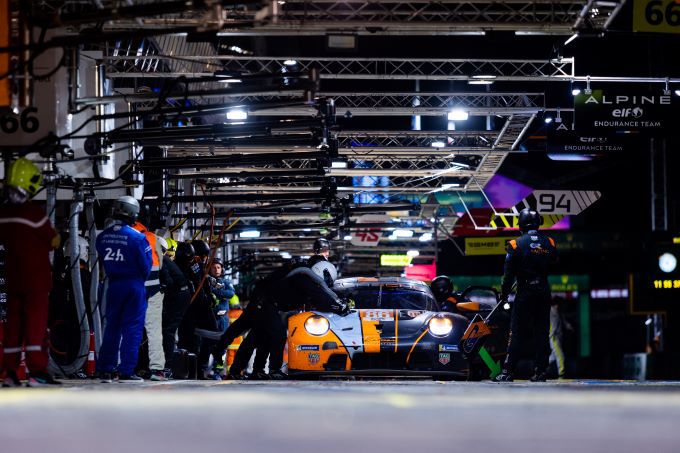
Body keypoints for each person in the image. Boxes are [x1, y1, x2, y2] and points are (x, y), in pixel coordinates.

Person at [216, 260, 348, 380]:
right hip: (265, 303)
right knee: (277, 334)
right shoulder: (305, 278)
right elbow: (320, 296)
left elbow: (316, 298)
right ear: (322, 271)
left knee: (258, 337)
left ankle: (248, 370)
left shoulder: (302, 275)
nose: (325, 283)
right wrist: (338, 306)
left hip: (262, 301)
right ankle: (273, 369)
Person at [0, 157, 61, 387]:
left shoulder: (2, 214)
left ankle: (9, 373)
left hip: (12, 281)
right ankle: (37, 372)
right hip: (36, 283)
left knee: (13, 327)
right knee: (35, 326)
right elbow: (53, 240)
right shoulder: (35, 214)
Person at [494, 208, 557, 383]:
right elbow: (554, 263)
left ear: (520, 224)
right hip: (543, 291)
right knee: (542, 332)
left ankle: (507, 372)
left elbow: (508, 275)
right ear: (539, 223)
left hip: (525, 292)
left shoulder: (515, 244)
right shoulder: (550, 242)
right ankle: (541, 371)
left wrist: (504, 294)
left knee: (517, 332)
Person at [96, 196, 152, 382]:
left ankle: (105, 369)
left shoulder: (103, 236)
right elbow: (146, 266)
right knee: (132, 329)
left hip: (113, 284)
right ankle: (126, 371)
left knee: (112, 327)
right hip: (133, 285)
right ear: (133, 213)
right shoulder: (138, 238)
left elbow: (102, 258)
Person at [132, 221, 165, 381]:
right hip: (152, 290)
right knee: (154, 332)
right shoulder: (152, 238)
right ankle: (157, 370)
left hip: (129, 289)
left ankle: (122, 367)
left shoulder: (122, 236)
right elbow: (161, 263)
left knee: (126, 329)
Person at [159, 238, 191, 378]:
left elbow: (168, 282)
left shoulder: (162, 260)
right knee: (167, 329)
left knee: (168, 330)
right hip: (180, 294)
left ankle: (168, 365)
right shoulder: (165, 260)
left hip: (179, 295)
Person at [207, 257, 235, 379]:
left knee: (222, 347)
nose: (216, 269)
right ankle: (202, 369)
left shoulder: (226, 282)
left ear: (222, 269)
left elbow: (230, 293)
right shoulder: (206, 281)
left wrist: (215, 290)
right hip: (209, 318)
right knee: (207, 345)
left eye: (218, 267)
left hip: (222, 319)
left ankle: (217, 371)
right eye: (213, 267)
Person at [549, 297, 572, 379]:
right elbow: (552, 325)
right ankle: (561, 374)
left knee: (553, 357)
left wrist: (568, 326)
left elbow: (563, 322)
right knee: (560, 356)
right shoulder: (551, 311)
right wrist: (551, 335)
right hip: (553, 337)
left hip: (558, 336)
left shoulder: (559, 311)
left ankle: (539, 369)